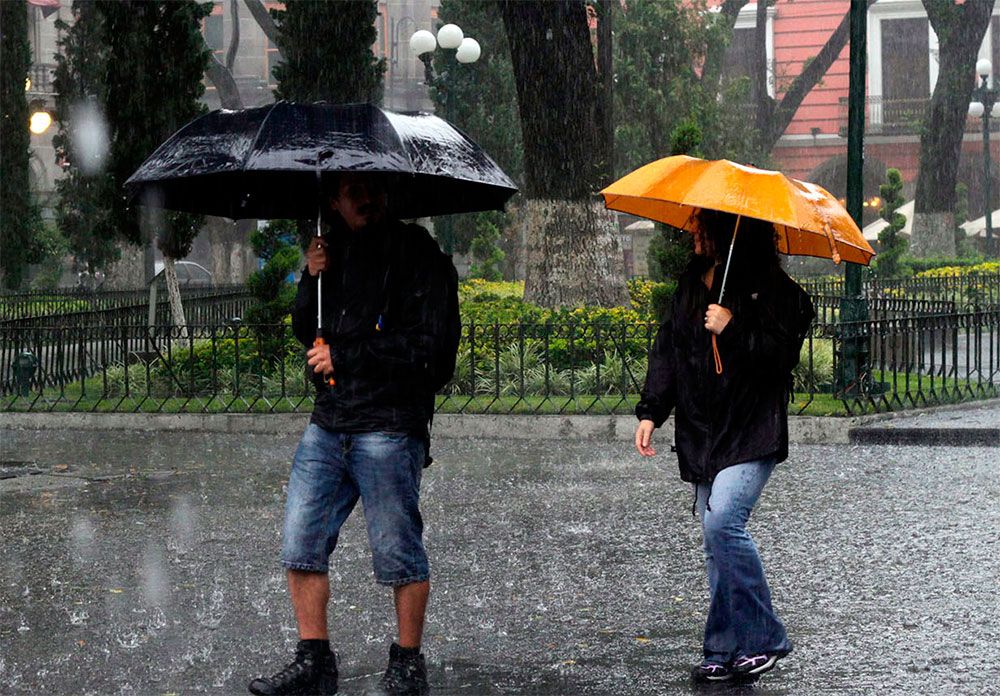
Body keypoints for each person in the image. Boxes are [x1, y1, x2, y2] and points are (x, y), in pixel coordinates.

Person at [249, 172, 460, 696]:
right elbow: (308, 331)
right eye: (350, 191)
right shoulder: (331, 251)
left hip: (388, 426)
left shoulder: (417, 253)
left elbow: (433, 350)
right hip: (329, 423)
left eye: (370, 188)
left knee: (397, 550)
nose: (363, 198)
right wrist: (309, 275)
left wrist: (347, 355)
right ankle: (314, 662)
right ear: (333, 201)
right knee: (301, 542)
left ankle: (408, 663)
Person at [633, 209, 815, 684]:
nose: (691, 231)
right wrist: (652, 410)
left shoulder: (775, 290)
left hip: (751, 428)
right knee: (715, 545)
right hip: (702, 432)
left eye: (700, 225)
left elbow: (781, 359)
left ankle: (763, 638)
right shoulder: (693, 283)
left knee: (723, 521)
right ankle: (722, 646)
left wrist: (732, 327)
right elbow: (669, 350)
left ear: (727, 230)